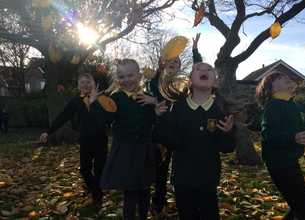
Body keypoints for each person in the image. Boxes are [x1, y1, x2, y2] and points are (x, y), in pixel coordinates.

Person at [155, 62, 245, 220]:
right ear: (189, 81)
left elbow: (227, 147)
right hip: (182, 181)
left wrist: (228, 133)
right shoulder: (178, 107)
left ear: (215, 83)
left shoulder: (220, 111)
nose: (204, 70)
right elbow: (171, 143)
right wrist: (162, 120)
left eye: (209, 69)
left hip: (208, 180)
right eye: (198, 69)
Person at [89, 58, 156, 220]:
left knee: (145, 187)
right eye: (122, 77)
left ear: (140, 77)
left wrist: (154, 102)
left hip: (145, 148)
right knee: (130, 190)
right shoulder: (117, 98)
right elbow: (107, 119)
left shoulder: (147, 97)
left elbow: (157, 120)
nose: (126, 80)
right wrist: (93, 103)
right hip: (125, 149)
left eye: (130, 76)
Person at [255, 71, 305, 220]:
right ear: (271, 90)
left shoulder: (297, 107)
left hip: (292, 161)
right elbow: (267, 134)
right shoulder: (274, 105)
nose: (286, 77)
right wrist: (293, 138)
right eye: (280, 78)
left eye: (286, 76)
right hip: (278, 163)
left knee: (299, 207)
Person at [147, 33, 203, 215]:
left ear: (180, 66)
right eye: (169, 60)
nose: (172, 63)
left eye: (176, 61)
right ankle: (159, 201)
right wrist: (158, 71)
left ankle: (187, 199)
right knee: (160, 169)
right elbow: (152, 88)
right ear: (164, 63)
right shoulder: (157, 82)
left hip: (182, 133)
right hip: (161, 133)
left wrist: (195, 51)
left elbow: (199, 71)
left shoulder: (184, 83)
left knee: (184, 167)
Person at [39, 73, 109, 207]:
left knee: (100, 166)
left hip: (101, 137)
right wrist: (49, 131)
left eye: (88, 82)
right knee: (85, 169)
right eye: (82, 82)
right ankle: (93, 186)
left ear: (93, 85)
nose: (85, 84)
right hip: (85, 139)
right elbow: (63, 116)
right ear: (78, 86)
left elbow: (112, 114)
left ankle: (98, 196)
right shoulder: (75, 102)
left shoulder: (102, 99)